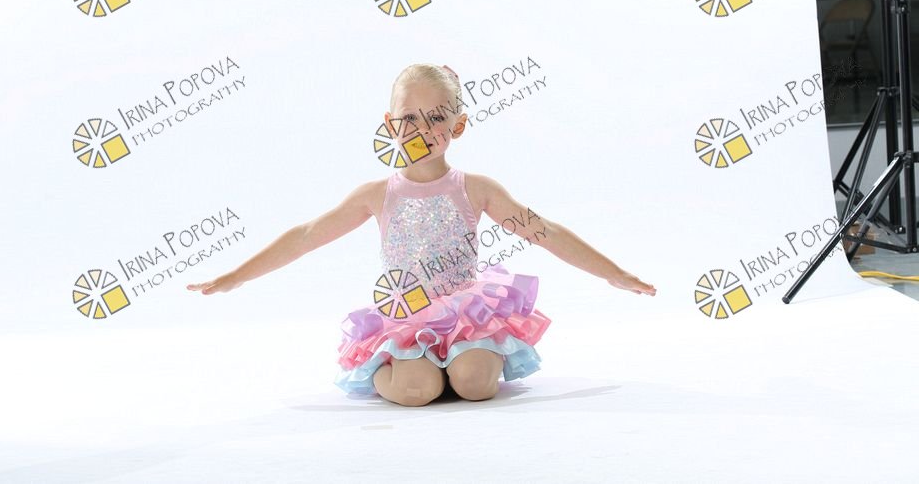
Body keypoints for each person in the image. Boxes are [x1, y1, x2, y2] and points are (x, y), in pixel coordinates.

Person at [187, 63, 656, 407]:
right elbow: (307, 234)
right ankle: (395, 367)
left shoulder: (475, 189)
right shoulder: (377, 194)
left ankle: (458, 364)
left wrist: (613, 273)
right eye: (409, 118)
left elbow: (544, 231)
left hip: (467, 314)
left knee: (475, 385)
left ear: (458, 125)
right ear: (390, 124)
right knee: (415, 391)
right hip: (406, 314)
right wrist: (236, 276)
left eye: (436, 118)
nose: (422, 129)